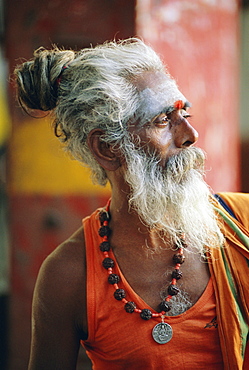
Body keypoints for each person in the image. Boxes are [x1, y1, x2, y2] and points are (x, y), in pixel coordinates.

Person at [14, 38, 249, 370]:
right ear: (107, 149)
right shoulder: (68, 275)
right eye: (162, 120)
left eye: (185, 112)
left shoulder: (243, 224)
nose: (190, 134)